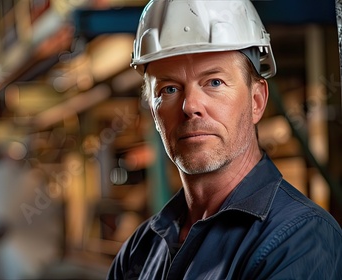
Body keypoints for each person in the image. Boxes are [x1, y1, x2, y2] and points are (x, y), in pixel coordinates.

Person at [108, 0, 342, 279]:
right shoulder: (140, 249)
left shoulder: (301, 239)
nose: (190, 105)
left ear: (257, 101)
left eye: (214, 82)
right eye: (169, 88)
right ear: (153, 112)